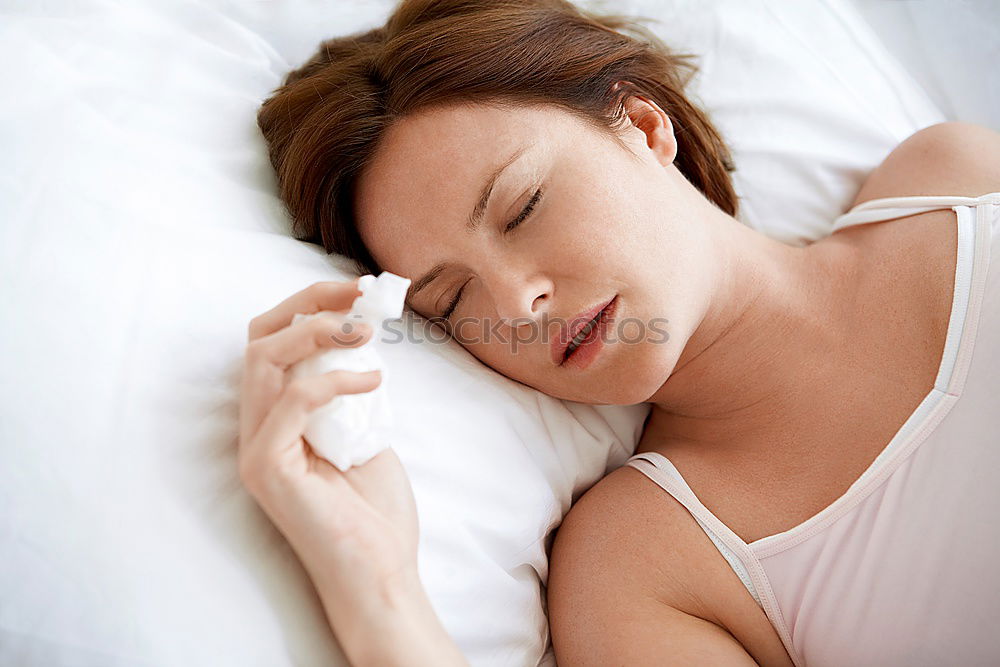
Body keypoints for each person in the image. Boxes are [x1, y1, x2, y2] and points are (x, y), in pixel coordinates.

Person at [241, 0, 1000, 664]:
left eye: (524, 206)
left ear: (641, 123)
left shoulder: (952, 182)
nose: (516, 302)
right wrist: (379, 590)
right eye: (453, 298)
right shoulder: (645, 563)